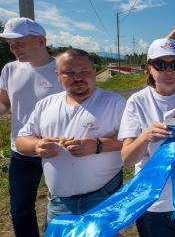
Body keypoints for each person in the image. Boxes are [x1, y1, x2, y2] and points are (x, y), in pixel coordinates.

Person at [15, 48, 125, 224]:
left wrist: (97, 145)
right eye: (69, 73)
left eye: (84, 71)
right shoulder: (45, 105)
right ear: (57, 75)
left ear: (94, 72)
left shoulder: (114, 102)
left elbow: (131, 140)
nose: (78, 77)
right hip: (59, 203)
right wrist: (36, 146)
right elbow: (21, 141)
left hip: (103, 197)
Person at [119, 38, 175, 237]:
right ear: (149, 68)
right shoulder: (137, 102)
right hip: (154, 199)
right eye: (161, 64)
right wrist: (145, 136)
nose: (169, 71)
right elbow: (127, 159)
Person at [0, 17, 63, 237]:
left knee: (59, 206)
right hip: (22, 150)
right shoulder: (9, 69)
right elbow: (5, 104)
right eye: (9, 43)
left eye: (18, 42)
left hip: (58, 150)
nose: (13, 47)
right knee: (20, 209)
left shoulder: (62, 69)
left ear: (41, 41)